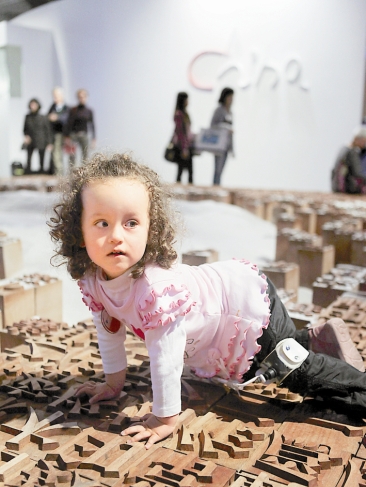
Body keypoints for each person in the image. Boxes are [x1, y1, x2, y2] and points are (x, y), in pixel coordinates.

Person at [49, 152, 365, 450]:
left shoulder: (154, 288)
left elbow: (167, 355)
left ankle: (359, 389)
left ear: (150, 229)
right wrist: (112, 385)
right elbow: (109, 331)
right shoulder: (93, 278)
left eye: (131, 222)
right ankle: (319, 338)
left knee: (290, 370)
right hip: (233, 298)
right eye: (101, 223)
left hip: (241, 309)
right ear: (79, 231)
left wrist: (163, 417)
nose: (117, 235)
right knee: (285, 342)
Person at [63, 88, 96, 168]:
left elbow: (92, 125)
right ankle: (72, 175)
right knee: (72, 155)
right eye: (80, 97)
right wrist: (67, 136)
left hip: (84, 135)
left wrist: (93, 138)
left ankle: (85, 174)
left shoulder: (89, 111)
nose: (82, 98)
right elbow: (69, 123)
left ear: (86, 97)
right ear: (78, 98)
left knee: (85, 155)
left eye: (83, 96)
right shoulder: (73, 110)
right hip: (73, 135)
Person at [210, 87, 234, 185]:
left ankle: (218, 186)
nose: (231, 99)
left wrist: (232, 148)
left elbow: (231, 132)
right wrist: (224, 127)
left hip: (226, 146)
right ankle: (215, 189)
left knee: (221, 170)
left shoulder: (230, 112)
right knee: (217, 170)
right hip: (218, 145)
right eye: (230, 97)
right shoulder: (219, 110)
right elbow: (212, 125)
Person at [331, 126, 366, 194]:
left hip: (336, 185)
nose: (364, 144)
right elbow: (357, 173)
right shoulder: (352, 152)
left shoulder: (344, 148)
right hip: (345, 187)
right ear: (357, 139)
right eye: (364, 141)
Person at [23, 98, 53, 174]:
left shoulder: (43, 117)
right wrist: (26, 136)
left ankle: (41, 172)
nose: (33, 106)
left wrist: (49, 143)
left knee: (41, 158)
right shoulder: (27, 117)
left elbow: (48, 130)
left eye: (34, 105)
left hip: (41, 140)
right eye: (31, 105)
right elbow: (25, 129)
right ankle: (28, 173)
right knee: (29, 158)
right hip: (30, 140)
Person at [173, 92, 194, 184]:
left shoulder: (185, 114)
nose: (188, 101)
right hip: (181, 145)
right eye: (186, 99)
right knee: (181, 171)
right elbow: (180, 132)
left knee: (189, 171)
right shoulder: (179, 114)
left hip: (187, 145)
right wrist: (184, 148)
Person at [48, 87, 69, 176]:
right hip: (54, 134)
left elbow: (67, 119)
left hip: (64, 134)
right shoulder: (52, 107)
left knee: (65, 155)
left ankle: (63, 174)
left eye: (57, 96)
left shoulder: (66, 108)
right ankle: (58, 174)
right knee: (55, 154)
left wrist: (57, 117)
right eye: (54, 96)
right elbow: (48, 117)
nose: (55, 98)